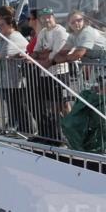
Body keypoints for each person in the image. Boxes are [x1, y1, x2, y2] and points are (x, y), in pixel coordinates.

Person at [32, 9, 69, 141]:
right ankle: (56, 134)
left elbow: (57, 53)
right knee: (50, 105)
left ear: (53, 17)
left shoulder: (60, 31)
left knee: (62, 104)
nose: (46, 20)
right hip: (45, 74)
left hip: (60, 72)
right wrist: (43, 54)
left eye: (49, 17)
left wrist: (44, 55)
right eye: (43, 18)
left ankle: (69, 131)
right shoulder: (42, 32)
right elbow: (35, 51)